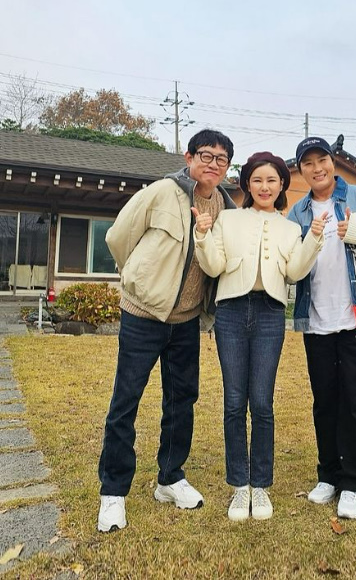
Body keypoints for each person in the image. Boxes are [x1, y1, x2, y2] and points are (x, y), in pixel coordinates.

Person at [97, 129, 236, 532]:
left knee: (181, 401)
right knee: (126, 401)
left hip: (187, 320)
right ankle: (113, 491)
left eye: (221, 159)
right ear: (189, 157)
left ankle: (170, 478)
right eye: (206, 155)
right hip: (142, 315)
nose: (213, 164)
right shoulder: (161, 192)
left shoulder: (226, 207)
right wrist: (137, 279)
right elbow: (118, 236)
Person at [193, 151, 325, 521]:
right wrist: (202, 234)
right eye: (257, 180)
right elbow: (214, 266)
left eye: (271, 180)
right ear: (247, 184)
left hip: (270, 313)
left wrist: (314, 238)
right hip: (231, 312)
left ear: (282, 185)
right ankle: (239, 486)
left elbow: (295, 272)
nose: (264, 187)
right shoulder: (228, 219)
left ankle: (261, 485)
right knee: (235, 401)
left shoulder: (290, 228)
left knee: (263, 403)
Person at [288, 136, 356, 520]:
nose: (316, 168)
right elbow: (291, 265)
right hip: (317, 320)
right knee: (325, 402)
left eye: (321, 160)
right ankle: (328, 475)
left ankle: (353, 482)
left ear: (332, 162)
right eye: (308, 163)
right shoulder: (298, 212)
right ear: (301, 170)